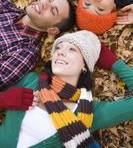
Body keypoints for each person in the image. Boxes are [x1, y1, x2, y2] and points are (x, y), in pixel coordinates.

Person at [0, 30, 133, 148]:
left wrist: (114, 64)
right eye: (58, 48)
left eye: (72, 49)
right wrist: (4, 99)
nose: (60, 52)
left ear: (84, 65)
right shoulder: (31, 80)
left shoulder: (89, 113)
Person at [0, 0, 75, 111]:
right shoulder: (8, 8)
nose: (44, 3)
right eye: (50, 0)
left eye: (53, 11)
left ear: (52, 30)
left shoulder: (25, 53)